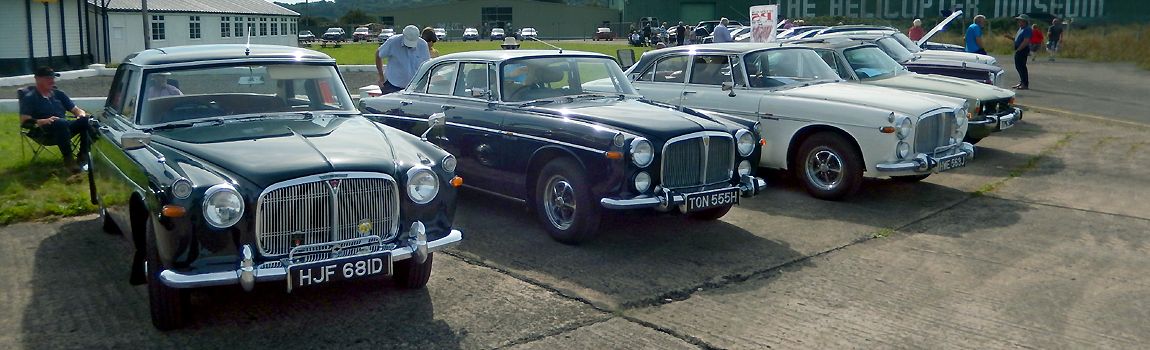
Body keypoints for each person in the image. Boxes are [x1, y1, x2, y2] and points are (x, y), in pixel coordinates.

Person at [18, 67, 90, 173]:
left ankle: (83, 156)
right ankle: (69, 160)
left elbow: (76, 110)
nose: (52, 81)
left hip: (64, 128)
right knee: (60, 122)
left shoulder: (59, 94)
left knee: (88, 120)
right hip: (44, 133)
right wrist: (44, 121)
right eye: (48, 78)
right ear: (37, 79)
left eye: (52, 78)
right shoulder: (30, 98)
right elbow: (25, 122)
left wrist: (81, 115)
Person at [375, 25, 430, 95]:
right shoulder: (393, 42)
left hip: (414, 88)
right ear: (403, 35)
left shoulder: (423, 45)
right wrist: (381, 76)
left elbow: (426, 65)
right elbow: (378, 54)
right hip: (392, 85)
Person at [1004, 14, 1032, 90]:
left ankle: (1025, 84)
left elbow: (1026, 41)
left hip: (1022, 50)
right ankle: (1022, 82)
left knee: (1022, 67)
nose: (1019, 22)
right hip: (1019, 49)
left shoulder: (1027, 29)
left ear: (1025, 22)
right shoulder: (1021, 29)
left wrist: (1019, 49)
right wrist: (1010, 37)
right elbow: (1017, 39)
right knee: (1018, 66)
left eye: (1020, 20)